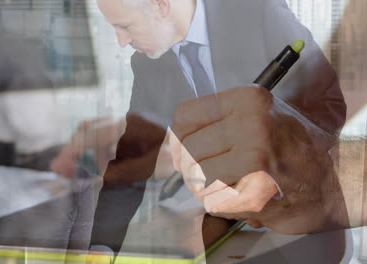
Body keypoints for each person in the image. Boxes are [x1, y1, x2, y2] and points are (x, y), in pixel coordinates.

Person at [84, 0, 351, 255]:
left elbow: (329, 104)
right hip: (223, 236)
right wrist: (102, 246)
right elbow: (132, 159)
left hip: (302, 224)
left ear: (160, 5)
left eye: (125, 26)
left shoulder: (256, 11)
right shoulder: (147, 64)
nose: (121, 42)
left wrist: (281, 168)